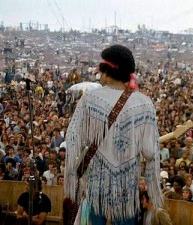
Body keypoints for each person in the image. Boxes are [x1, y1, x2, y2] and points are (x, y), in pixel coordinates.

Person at [65, 45, 162, 225]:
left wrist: (72, 177)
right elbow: (150, 152)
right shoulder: (144, 103)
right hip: (127, 191)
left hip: (97, 189)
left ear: (106, 70)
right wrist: (152, 184)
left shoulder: (90, 99)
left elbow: (72, 139)